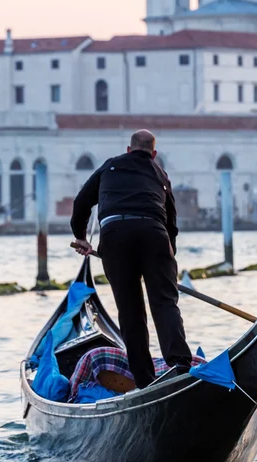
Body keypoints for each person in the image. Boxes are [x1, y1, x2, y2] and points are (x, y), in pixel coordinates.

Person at [70, 129, 192, 389]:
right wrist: (166, 265)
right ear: (153, 153)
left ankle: (145, 381)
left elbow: (81, 202)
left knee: (130, 312)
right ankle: (180, 364)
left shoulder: (109, 166)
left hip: (114, 237)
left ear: (129, 149)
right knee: (164, 302)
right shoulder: (160, 174)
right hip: (155, 235)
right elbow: (171, 224)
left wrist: (80, 237)